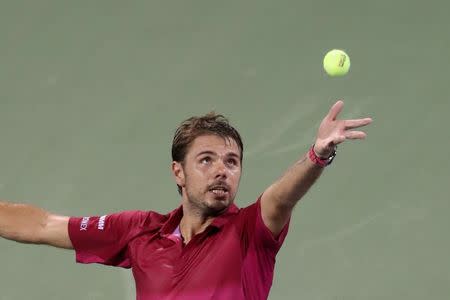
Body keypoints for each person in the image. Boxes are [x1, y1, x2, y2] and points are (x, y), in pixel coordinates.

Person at [0, 100, 372, 300]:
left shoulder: (250, 232)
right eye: (206, 160)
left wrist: (318, 155)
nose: (221, 171)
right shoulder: (138, 231)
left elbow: (281, 197)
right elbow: (44, 225)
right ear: (178, 172)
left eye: (232, 162)